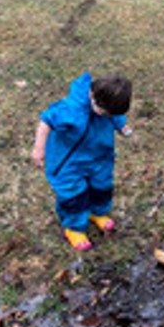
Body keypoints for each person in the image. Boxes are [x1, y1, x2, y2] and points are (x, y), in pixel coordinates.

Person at [31, 73, 133, 251]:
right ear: (93, 95)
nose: (107, 115)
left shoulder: (107, 106)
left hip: (99, 158)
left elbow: (115, 115)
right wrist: (39, 148)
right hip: (70, 162)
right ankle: (74, 227)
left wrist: (121, 125)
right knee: (74, 195)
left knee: (101, 186)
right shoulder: (70, 109)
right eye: (105, 112)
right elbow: (46, 121)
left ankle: (97, 212)